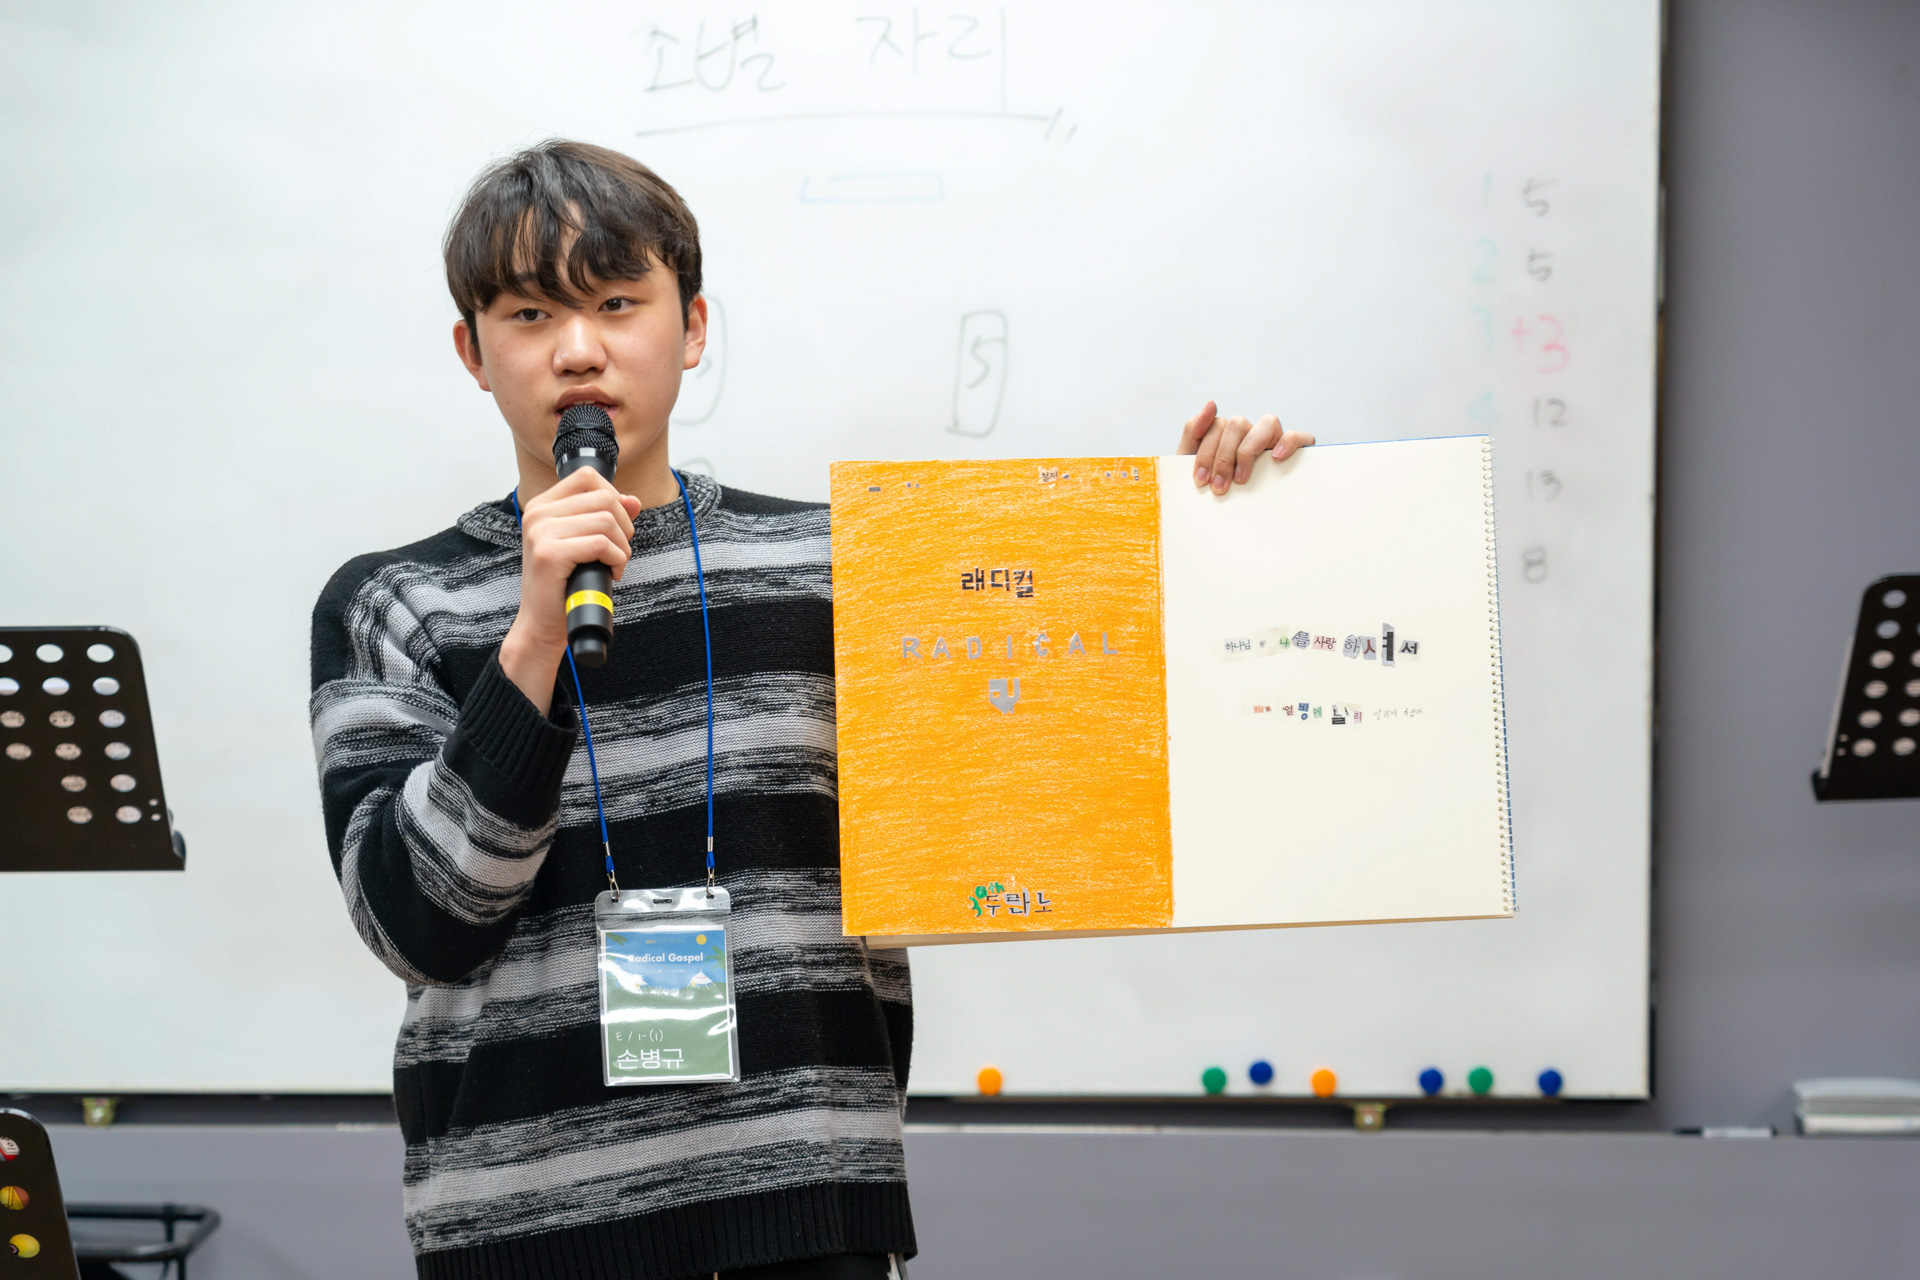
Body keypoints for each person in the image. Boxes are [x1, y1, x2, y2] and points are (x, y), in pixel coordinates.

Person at [308, 139, 1313, 1280]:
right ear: (473, 353)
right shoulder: (394, 603)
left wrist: (1228, 527)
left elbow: (1076, 740)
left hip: (805, 1199)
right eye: (531, 314)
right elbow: (420, 927)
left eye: (618, 303)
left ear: (692, 328)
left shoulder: (839, 567)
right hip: (527, 1225)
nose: (579, 349)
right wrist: (533, 641)